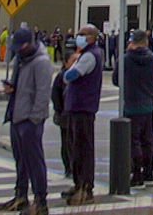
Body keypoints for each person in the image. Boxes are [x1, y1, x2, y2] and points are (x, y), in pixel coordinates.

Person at [0, 28, 55, 215]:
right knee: (20, 160)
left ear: (30, 43)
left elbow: (42, 93)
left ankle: (40, 201)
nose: (18, 50)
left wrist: (34, 119)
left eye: (21, 46)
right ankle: (20, 196)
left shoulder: (41, 62)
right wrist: (11, 89)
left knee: (34, 161)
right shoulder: (21, 60)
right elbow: (22, 87)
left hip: (30, 120)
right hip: (16, 115)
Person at [112, 30, 153, 189]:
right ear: (146, 41)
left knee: (134, 141)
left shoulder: (125, 59)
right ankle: (148, 173)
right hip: (148, 103)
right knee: (147, 140)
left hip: (131, 103)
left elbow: (116, 80)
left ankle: (137, 175)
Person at [61, 25, 103, 205]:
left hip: (82, 108)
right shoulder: (86, 54)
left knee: (82, 149)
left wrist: (67, 71)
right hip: (78, 107)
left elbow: (70, 75)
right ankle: (79, 183)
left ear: (91, 37)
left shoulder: (89, 56)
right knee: (75, 148)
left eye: (82, 34)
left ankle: (85, 187)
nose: (78, 37)